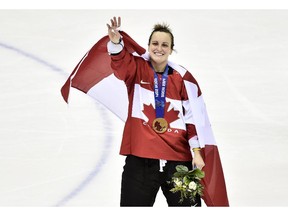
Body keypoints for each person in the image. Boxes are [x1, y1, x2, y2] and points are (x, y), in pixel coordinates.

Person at [106, 16, 205, 207]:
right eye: (155, 43)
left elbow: (192, 118)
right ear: (149, 45)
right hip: (140, 160)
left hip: (178, 162)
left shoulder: (182, 79)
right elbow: (120, 65)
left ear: (171, 49)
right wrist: (115, 42)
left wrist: (197, 152)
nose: (159, 48)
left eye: (164, 45)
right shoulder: (136, 69)